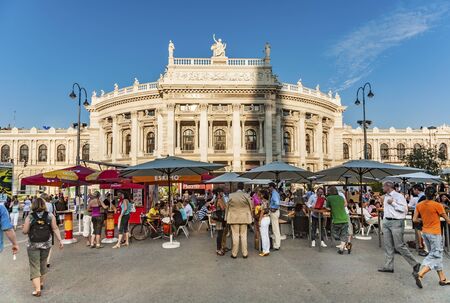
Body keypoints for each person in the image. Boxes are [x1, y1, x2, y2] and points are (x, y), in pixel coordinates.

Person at [22, 198, 63, 297]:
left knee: (34, 265)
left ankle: (37, 289)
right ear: (44, 205)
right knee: (43, 263)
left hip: (33, 244)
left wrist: (25, 227)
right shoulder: (50, 215)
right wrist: (60, 240)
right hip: (46, 244)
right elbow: (55, 228)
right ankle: (40, 283)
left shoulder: (30, 216)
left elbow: (25, 231)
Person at [378, 181, 420, 276]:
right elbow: (386, 209)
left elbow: (405, 210)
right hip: (387, 221)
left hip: (396, 222)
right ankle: (388, 266)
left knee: (399, 246)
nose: (382, 188)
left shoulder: (399, 196)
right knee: (388, 245)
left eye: (383, 186)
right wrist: (384, 220)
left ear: (388, 186)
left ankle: (415, 264)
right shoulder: (386, 196)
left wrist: (393, 203)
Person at [413, 186, 450, 288]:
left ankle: (442, 279)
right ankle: (420, 274)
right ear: (435, 195)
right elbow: (448, 220)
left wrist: (424, 220)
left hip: (425, 233)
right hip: (435, 233)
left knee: (436, 254)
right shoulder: (437, 205)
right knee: (436, 255)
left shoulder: (419, 205)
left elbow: (415, 219)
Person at [226, 182, 253, 259]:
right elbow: (251, 206)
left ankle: (234, 254)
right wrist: (251, 215)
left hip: (233, 218)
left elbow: (227, 207)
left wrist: (226, 218)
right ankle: (245, 253)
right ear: (243, 187)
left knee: (235, 236)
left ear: (237, 187)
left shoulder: (231, 195)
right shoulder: (246, 195)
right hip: (244, 218)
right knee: (244, 236)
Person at [326, 186, 350, 254]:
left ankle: (345, 244)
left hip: (336, 220)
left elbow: (327, 208)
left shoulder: (329, 198)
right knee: (344, 234)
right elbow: (344, 205)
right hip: (345, 218)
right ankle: (342, 248)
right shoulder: (341, 197)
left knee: (334, 233)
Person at [268, 182, 281, 250]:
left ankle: (277, 245)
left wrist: (273, 209)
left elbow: (277, 203)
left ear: (272, 187)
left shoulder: (274, 194)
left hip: (274, 212)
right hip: (274, 211)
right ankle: (276, 244)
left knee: (275, 229)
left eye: (269, 187)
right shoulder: (274, 193)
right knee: (275, 228)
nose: (269, 188)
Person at [258, 190, 271, 257]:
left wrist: (259, 220)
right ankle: (267, 250)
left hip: (263, 219)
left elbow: (262, 211)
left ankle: (264, 250)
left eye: (260, 194)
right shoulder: (267, 201)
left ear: (263, 195)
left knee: (263, 235)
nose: (259, 195)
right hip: (268, 218)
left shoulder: (263, 202)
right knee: (266, 235)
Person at [214, 189, 227, 256]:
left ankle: (221, 248)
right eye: (222, 192)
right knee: (220, 234)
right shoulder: (219, 200)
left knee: (221, 234)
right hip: (220, 219)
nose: (223, 193)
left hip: (220, 219)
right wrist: (225, 204)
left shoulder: (217, 199)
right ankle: (218, 249)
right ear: (219, 193)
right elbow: (223, 208)